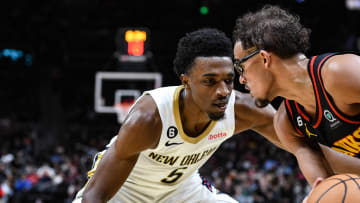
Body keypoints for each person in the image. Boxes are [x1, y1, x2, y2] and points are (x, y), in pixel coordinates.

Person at [73, 28, 282, 203]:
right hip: (124, 193)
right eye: (210, 81)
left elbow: (300, 142)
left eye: (228, 80)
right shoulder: (149, 118)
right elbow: (95, 195)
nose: (223, 91)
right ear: (186, 81)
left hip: (181, 191)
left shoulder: (242, 110)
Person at [232, 5, 360, 188]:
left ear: (264, 58)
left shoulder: (340, 73)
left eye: (241, 67)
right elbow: (326, 188)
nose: (242, 79)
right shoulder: (287, 123)